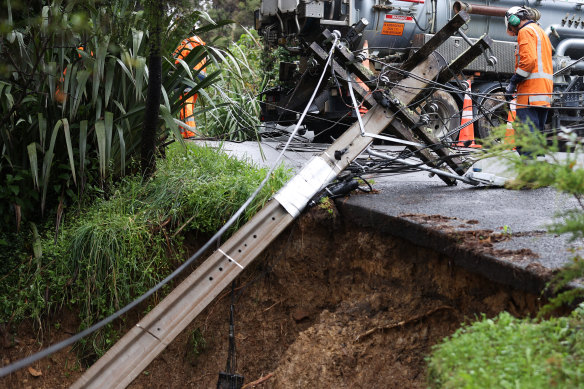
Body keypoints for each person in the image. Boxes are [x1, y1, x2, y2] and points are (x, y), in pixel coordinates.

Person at [504, 6, 553, 151]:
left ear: (513, 20)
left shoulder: (525, 31)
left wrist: (513, 82)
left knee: (526, 141)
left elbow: (528, 62)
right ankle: (537, 170)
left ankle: (529, 169)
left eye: (511, 26)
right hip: (543, 93)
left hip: (529, 94)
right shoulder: (540, 31)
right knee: (536, 137)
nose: (513, 31)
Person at [173, 35, 207, 138]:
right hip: (199, 76)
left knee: (185, 103)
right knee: (189, 103)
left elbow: (177, 61)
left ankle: (189, 132)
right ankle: (183, 133)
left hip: (188, 76)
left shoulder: (185, 42)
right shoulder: (198, 41)